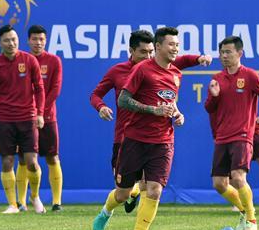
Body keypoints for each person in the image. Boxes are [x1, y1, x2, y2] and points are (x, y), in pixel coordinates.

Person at [90, 30, 211, 217]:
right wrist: (101, 107)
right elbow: (96, 94)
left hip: (153, 136)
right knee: (123, 191)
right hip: (125, 135)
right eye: (143, 52)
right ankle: (124, 199)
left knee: (152, 187)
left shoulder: (157, 67)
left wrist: (199, 58)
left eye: (150, 52)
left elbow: (181, 61)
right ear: (131, 51)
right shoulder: (118, 71)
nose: (148, 56)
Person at [91, 26, 189, 230]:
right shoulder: (142, 70)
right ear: (158, 46)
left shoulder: (176, 74)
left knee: (154, 190)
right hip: (134, 139)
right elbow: (123, 100)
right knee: (124, 193)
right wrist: (152, 111)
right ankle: (106, 211)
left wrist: (177, 114)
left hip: (163, 141)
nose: (176, 48)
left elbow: (170, 102)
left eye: (177, 44)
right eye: (171, 44)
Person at [205, 36, 259, 230]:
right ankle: (244, 210)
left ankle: (252, 220)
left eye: (228, 52)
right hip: (222, 136)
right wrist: (214, 96)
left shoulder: (249, 75)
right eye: (222, 52)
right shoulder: (217, 78)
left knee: (238, 177)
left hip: (243, 135)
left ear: (239, 53)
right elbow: (209, 108)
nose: (224, 56)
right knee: (219, 183)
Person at [0, 25, 45, 214]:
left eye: (14, 39)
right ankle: (13, 204)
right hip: (5, 120)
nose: (11, 43)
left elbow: (39, 88)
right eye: (7, 40)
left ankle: (35, 197)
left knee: (31, 161)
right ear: (0, 43)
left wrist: (40, 113)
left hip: (28, 118)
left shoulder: (29, 60)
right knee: (7, 162)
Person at [16, 25, 64, 211]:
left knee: (52, 157)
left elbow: (55, 89)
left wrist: (41, 112)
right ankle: (21, 202)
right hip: (24, 118)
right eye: (34, 39)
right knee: (23, 159)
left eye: (41, 39)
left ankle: (56, 202)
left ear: (46, 40)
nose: (38, 42)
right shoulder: (21, 61)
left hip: (48, 117)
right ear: (28, 40)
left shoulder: (54, 61)